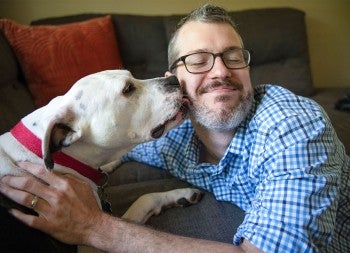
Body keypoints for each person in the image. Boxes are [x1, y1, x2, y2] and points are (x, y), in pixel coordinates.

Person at [0, 4, 349, 253]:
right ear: (173, 84)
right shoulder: (173, 138)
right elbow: (115, 148)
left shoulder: (294, 128)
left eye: (234, 57)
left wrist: (95, 226)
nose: (220, 72)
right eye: (198, 61)